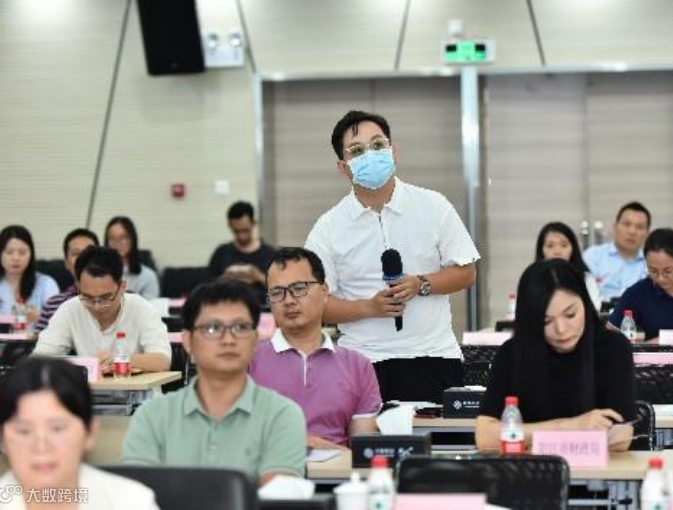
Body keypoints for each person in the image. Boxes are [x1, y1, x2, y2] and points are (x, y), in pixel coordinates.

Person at [305, 110, 480, 404]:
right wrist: (369, 307)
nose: (370, 155)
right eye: (357, 151)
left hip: (433, 355)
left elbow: (466, 272)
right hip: (362, 360)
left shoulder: (433, 205)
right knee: (364, 435)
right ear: (343, 168)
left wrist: (421, 284)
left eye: (377, 145)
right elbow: (316, 305)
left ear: (393, 151)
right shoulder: (328, 227)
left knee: (437, 434)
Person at [121, 278, 306, 486]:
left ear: (255, 340)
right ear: (188, 342)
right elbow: (139, 496)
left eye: (240, 327)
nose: (228, 339)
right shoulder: (152, 417)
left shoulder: (282, 415)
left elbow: (276, 499)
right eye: (212, 328)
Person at [475, 259, 635, 452]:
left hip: (598, 468)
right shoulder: (512, 353)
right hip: (532, 468)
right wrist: (570, 426)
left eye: (570, 314)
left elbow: (621, 438)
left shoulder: (613, 347)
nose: (561, 329)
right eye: (546, 321)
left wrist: (530, 434)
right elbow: (485, 437)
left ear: (585, 303)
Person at [249, 247, 381, 449]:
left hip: (337, 468)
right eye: (277, 293)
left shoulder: (357, 366)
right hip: (269, 467)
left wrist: (321, 449)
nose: (288, 300)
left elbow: (364, 452)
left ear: (324, 291)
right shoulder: (249, 360)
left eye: (299, 288)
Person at [0, 357, 159, 509]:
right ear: (1, 437)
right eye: (24, 431)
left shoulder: (132, 502)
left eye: (57, 428)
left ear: (89, 432)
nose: (41, 445)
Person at [33, 246, 171, 374]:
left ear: (122, 287)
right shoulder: (69, 309)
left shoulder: (142, 309)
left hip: (138, 392)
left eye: (105, 298)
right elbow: (38, 360)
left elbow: (163, 361)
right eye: (87, 297)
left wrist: (122, 359)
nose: (97, 306)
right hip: (89, 391)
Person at [207, 201, 277, 303]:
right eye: (236, 231)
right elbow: (207, 289)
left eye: (245, 231)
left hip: (261, 305)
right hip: (228, 305)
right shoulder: (221, 253)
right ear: (229, 225)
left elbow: (280, 288)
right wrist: (224, 279)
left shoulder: (269, 254)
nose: (241, 236)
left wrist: (258, 276)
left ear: (253, 223)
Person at [0, 225, 59, 324]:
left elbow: (60, 323)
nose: (16, 258)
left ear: (31, 254)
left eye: (22, 252)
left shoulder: (46, 284)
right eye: (9, 252)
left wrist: (39, 318)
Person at [34, 228, 99, 334]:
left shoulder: (118, 300)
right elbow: (40, 343)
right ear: (67, 263)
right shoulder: (53, 305)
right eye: (76, 253)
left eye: (89, 253)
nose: (83, 258)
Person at [583, 201, 651, 301]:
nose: (632, 231)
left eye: (639, 227)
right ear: (615, 227)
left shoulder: (651, 264)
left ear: (647, 234)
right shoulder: (593, 256)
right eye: (627, 224)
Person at [535, 221, 602, 312]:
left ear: (573, 249)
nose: (557, 252)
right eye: (550, 246)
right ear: (541, 250)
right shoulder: (533, 279)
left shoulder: (586, 279)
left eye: (564, 245)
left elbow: (594, 309)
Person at [104, 216, 160, 300]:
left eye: (123, 237)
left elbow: (150, 306)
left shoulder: (148, 276)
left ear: (132, 240)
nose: (117, 243)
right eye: (112, 238)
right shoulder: (97, 273)